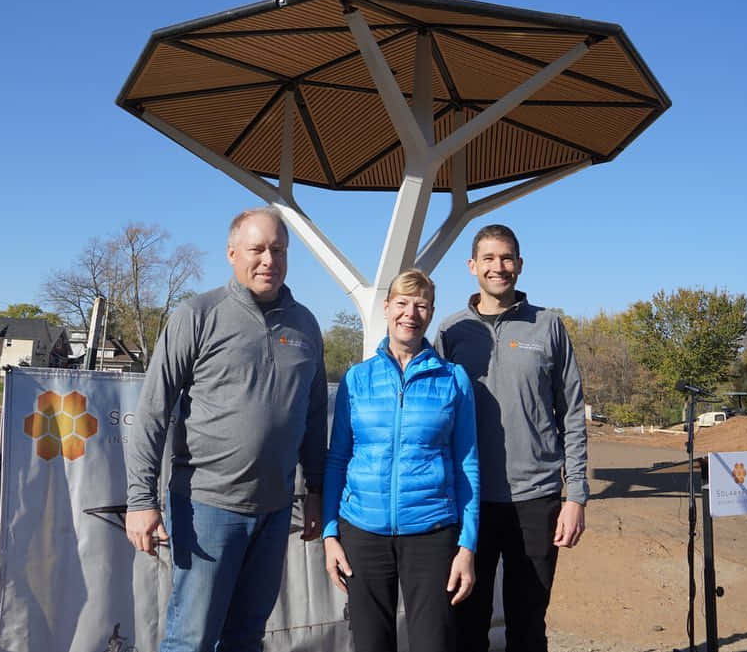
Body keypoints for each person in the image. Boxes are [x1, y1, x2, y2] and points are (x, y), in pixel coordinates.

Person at [124, 207, 327, 652]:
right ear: (233, 253)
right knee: (191, 639)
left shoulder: (306, 326)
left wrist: (316, 491)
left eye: (278, 250)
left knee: (247, 637)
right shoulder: (197, 315)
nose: (268, 260)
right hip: (208, 506)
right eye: (257, 249)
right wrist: (140, 500)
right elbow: (154, 410)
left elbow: (313, 418)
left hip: (275, 510)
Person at [435, 224, 587, 652]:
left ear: (519, 265)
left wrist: (575, 495)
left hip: (536, 500)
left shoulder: (548, 326)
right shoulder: (451, 332)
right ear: (472, 266)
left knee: (527, 625)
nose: (498, 267)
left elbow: (572, 414)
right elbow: (436, 419)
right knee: (467, 624)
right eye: (488, 259)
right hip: (470, 503)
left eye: (506, 258)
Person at [322, 268, 480, 652]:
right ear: (388, 307)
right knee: (371, 643)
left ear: (430, 313)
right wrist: (330, 534)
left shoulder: (453, 379)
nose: (411, 313)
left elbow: (467, 464)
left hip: (431, 533)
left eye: (421, 305)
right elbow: (338, 459)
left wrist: (468, 546)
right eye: (403, 303)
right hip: (363, 533)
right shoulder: (358, 379)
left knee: (434, 643)